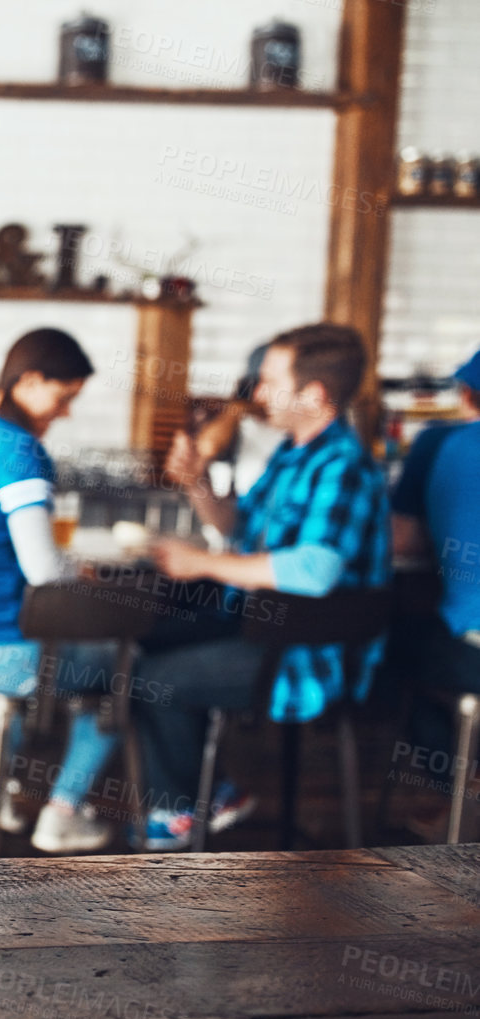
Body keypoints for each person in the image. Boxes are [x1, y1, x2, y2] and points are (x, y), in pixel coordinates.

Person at [145, 322, 391, 849]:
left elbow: (313, 570)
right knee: (142, 639)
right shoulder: (293, 453)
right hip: (261, 628)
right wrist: (195, 481)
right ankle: (200, 801)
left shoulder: (342, 465)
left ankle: (188, 812)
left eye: (269, 380)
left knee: (154, 680)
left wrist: (205, 565)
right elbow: (239, 528)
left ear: (314, 395)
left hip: (307, 654)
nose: (256, 393)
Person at [0, 328, 123, 854]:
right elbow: (40, 567)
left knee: (58, 671)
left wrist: (66, 565)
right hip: (0, 653)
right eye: (63, 398)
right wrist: (77, 571)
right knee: (123, 674)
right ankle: (62, 815)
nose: (65, 413)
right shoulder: (17, 450)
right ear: (29, 381)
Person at [387, 348, 480, 837]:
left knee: (395, 655)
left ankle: (461, 802)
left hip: (469, 648)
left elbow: (404, 541)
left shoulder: (442, 444)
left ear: (466, 396)